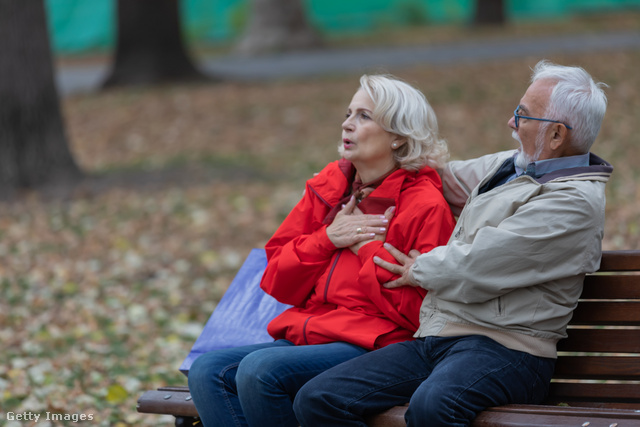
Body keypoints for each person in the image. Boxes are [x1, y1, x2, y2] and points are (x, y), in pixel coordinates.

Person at [293, 60, 613, 427]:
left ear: (557, 136)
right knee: (319, 399)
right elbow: (438, 178)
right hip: (439, 337)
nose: (511, 123)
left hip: (509, 351)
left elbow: (478, 264)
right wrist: (355, 170)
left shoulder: (572, 203)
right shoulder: (511, 166)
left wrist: (417, 268)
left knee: (433, 407)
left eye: (523, 116)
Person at [188, 74, 456, 427]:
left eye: (364, 116)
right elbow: (276, 281)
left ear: (398, 137)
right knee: (207, 370)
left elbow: (418, 315)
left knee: (260, 371)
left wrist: (366, 248)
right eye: (348, 113)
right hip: (314, 331)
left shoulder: (423, 205)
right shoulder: (331, 188)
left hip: (376, 342)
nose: (347, 124)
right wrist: (327, 238)